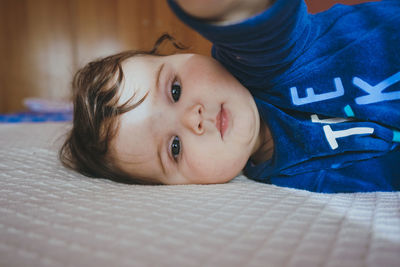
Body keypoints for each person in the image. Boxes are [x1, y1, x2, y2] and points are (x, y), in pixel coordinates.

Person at [60, 0, 400, 193]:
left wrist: (214, 8)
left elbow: (258, 24)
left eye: (175, 90)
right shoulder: (294, 180)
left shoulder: (262, 62)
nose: (192, 118)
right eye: (174, 148)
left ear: (183, 53)